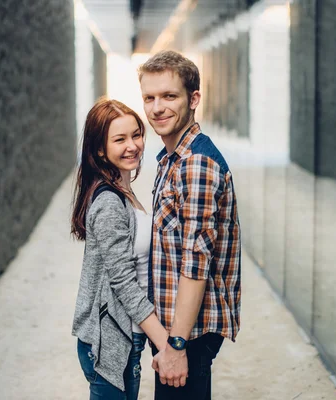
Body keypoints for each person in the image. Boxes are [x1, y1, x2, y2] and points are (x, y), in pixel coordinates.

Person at [138, 50, 242, 399]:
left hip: (187, 335)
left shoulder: (195, 164)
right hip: (172, 331)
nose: (157, 108)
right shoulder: (171, 158)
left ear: (194, 98)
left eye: (169, 96)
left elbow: (195, 263)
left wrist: (177, 345)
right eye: (149, 98)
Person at [71, 98, 169, 400]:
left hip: (127, 335)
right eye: (120, 139)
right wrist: (168, 344)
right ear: (100, 149)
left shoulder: (124, 192)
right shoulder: (110, 203)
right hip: (110, 339)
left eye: (136, 135)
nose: (133, 146)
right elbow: (124, 284)